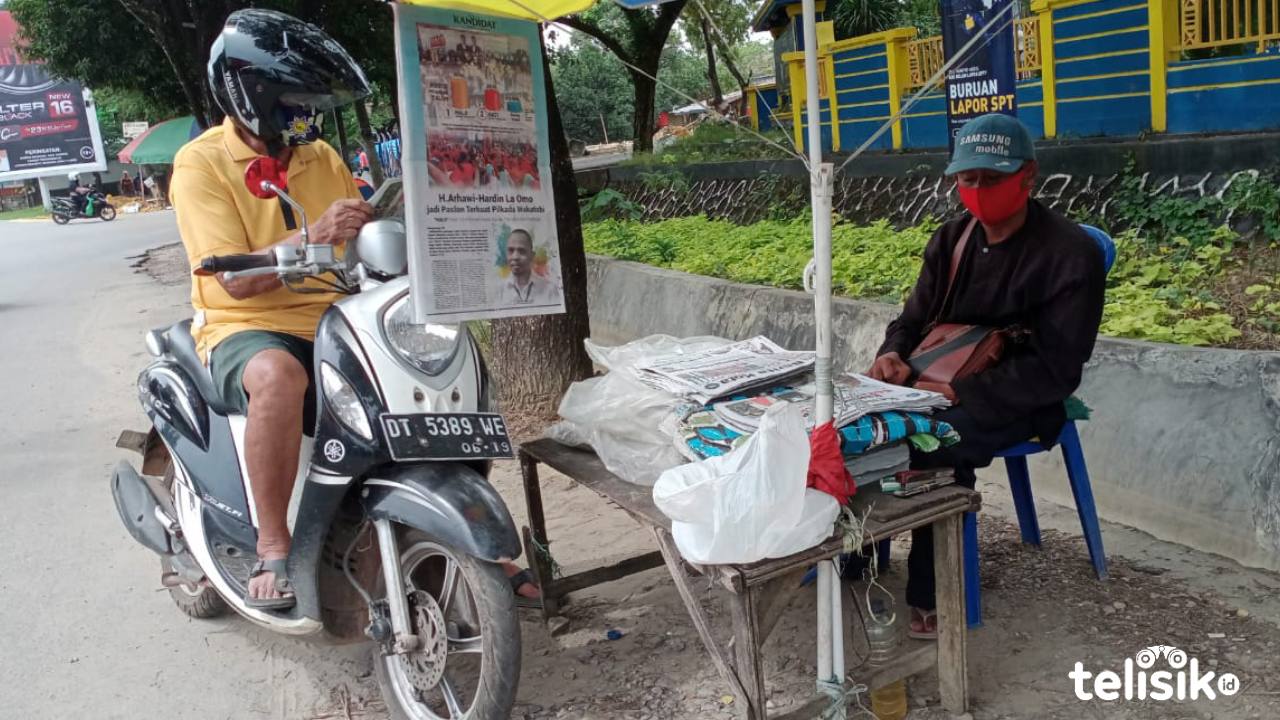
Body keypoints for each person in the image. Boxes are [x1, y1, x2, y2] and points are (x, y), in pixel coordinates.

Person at [865, 113, 1105, 639]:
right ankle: (858, 554)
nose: (978, 191)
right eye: (967, 179)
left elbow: (1057, 370)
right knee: (864, 424)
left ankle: (935, 587)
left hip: (1023, 395)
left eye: (992, 179)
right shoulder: (952, 239)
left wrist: (962, 389)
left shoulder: (1070, 255)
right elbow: (911, 319)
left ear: (1028, 176)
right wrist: (894, 354)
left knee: (935, 439)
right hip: (942, 377)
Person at [499, 229, 558, 306]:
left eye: (521, 251)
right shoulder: (499, 291)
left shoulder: (549, 289)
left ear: (532, 256)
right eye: (511, 250)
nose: (515, 257)